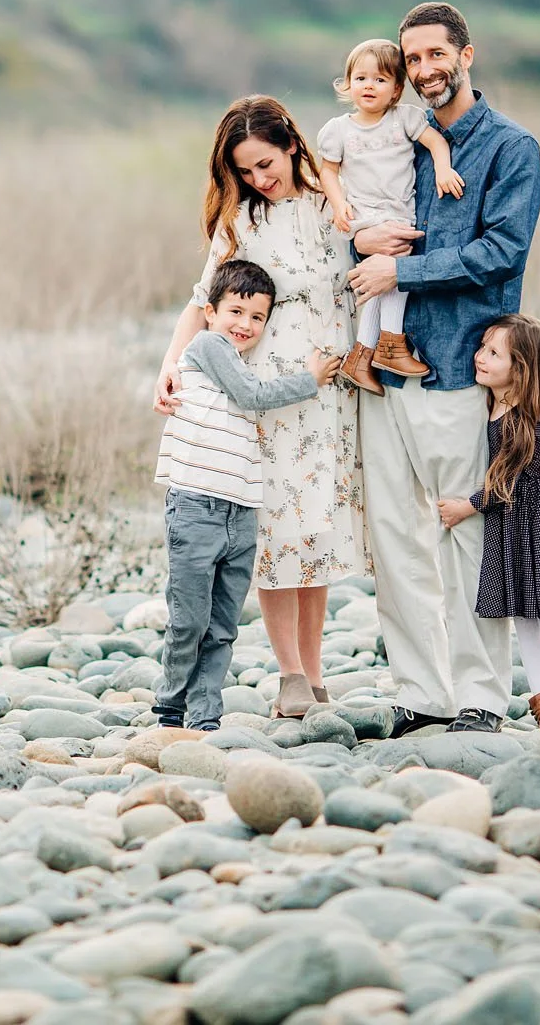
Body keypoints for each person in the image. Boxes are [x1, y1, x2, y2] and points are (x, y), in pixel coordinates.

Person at [348, 2, 540, 736]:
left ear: (468, 55)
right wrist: (364, 237)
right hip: (383, 373)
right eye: (414, 59)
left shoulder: (511, 148)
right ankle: (420, 692)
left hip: (460, 365)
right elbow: (358, 231)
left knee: (465, 538)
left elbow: (502, 253)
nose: (425, 70)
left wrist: (402, 271)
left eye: (437, 55)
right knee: (396, 538)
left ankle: (480, 697)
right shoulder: (393, 140)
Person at [155, 95, 368, 721]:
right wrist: (171, 362)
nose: (258, 179)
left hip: (331, 393)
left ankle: (318, 670)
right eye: (245, 170)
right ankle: (291, 675)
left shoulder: (335, 205)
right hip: (268, 398)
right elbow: (202, 303)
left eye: (265, 163)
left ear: (294, 147)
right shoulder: (240, 223)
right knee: (275, 529)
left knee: (315, 531)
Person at [152, 258, 341, 730]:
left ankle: (205, 713)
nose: (245, 325)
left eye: (257, 317)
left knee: (222, 626)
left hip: (239, 513)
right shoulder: (208, 346)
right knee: (189, 618)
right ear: (210, 312)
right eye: (236, 311)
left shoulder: (236, 358)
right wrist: (310, 380)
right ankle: (170, 703)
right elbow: (253, 395)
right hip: (196, 506)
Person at [437, 316, 540, 735]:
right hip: (512, 532)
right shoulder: (492, 401)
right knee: (524, 622)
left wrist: (465, 507)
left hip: (536, 529)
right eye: (483, 347)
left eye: (493, 354)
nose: (479, 357)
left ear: (522, 370)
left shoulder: (524, 421)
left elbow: (508, 482)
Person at [315, 38, 462, 395]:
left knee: (387, 281)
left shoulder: (404, 119)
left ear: (397, 89)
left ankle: (363, 357)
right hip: (366, 217)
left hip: (398, 212)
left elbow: (438, 143)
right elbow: (328, 172)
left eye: (380, 80)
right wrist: (338, 204)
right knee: (393, 272)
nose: (369, 86)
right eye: (361, 78)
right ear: (348, 84)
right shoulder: (339, 130)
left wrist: (443, 169)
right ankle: (390, 344)